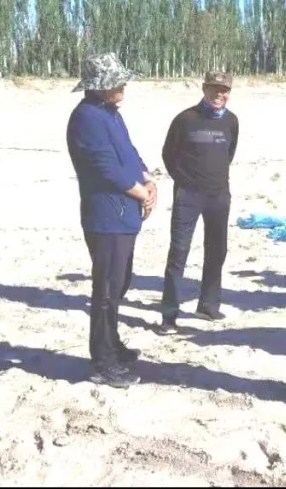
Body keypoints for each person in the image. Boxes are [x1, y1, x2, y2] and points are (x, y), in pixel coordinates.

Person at [65, 52, 155, 388]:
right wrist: (141, 193)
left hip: (123, 214)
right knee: (105, 291)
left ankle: (112, 344)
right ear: (99, 85)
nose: (123, 86)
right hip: (106, 216)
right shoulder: (87, 117)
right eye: (117, 81)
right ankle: (102, 362)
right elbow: (104, 167)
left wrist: (148, 179)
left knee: (118, 284)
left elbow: (128, 153)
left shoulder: (109, 113)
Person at [154, 71, 241, 335]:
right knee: (179, 253)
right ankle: (169, 315)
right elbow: (168, 154)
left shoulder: (231, 121)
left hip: (219, 195)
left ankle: (208, 305)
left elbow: (229, 153)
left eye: (224, 90)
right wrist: (184, 181)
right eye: (214, 88)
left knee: (217, 251)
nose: (218, 94)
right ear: (204, 89)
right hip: (189, 196)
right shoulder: (186, 119)